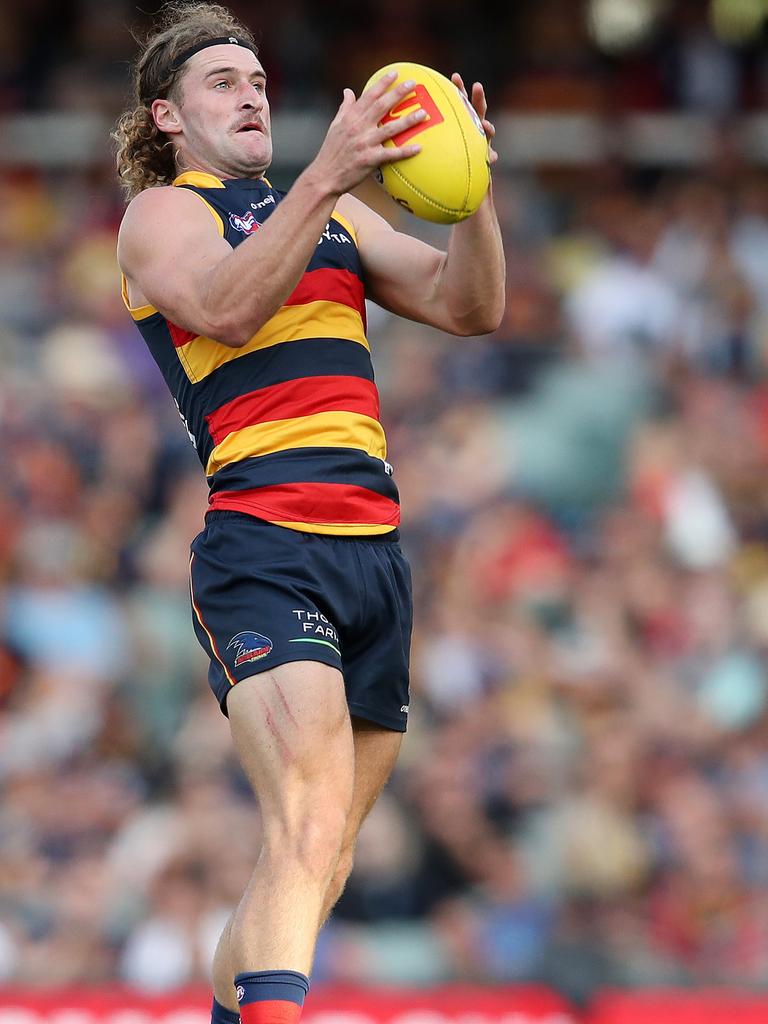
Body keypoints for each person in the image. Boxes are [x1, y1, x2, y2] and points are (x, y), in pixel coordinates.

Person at [114, 2, 505, 1021]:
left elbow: (472, 307)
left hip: (375, 553)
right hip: (265, 544)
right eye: (221, 84)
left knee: (318, 855)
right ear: (168, 116)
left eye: (257, 81)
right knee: (309, 809)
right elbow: (227, 309)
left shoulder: (329, 213)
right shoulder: (164, 215)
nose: (251, 96)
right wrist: (329, 174)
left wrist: (473, 196)